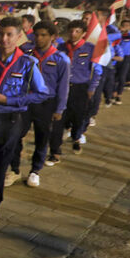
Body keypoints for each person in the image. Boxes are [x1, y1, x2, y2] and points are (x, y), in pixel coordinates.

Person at [0, 16, 48, 229]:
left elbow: (42, 93)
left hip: (11, 118)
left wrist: (10, 100)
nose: (4, 39)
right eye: (1, 34)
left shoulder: (27, 63)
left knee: (0, 164)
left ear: (19, 36)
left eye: (9, 35)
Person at [6, 21, 69, 188]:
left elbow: (63, 87)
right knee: (15, 134)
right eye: (37, 35)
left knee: (42, 137)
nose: (39, 38)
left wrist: (59, 109)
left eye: (44, 35)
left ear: (53, 37)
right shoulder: (25, 54)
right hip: (25, 101)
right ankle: (14, 169)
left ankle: (35, 170)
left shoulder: (60, 59)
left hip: (46, 103)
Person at [53, 19, 100, 157]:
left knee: (79, 116)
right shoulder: (60, 48)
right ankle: (56, 149)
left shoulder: (90, 49)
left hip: (80, 87)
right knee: (59, 116)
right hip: (63, 87)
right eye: (71, 31)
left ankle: (76, 137)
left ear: (84, 33)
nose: (73, 34)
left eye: (77, 31)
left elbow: (96, 70)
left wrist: (92, 87)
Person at [113, 19, 130, 105]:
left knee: (122, 77)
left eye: (128, 26)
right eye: (124, 26)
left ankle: (118, 95)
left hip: (126, 58)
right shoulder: (117, 36)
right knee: (113, 77)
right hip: (115, 58)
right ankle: (113, 93)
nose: (125, 27)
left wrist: (127, 31)